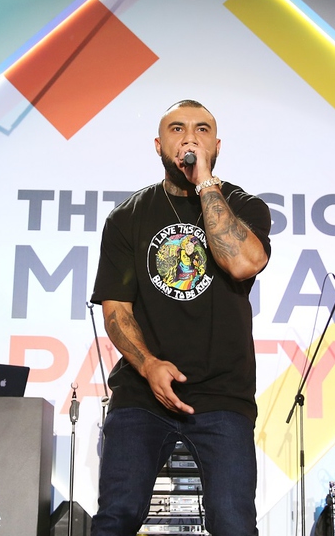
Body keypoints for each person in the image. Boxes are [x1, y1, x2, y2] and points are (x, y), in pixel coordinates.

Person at [90, 99, 272, 535]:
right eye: (177, 129)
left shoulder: (245, 207)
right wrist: (148, 365)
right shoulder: (127, 218)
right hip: (142, 392)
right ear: (158, 144)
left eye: (201, 130)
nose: (190, 139)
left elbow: (242, 263)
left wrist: (204, 182)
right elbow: (117, 310)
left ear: (217, 146)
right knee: (117, 515)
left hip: (222, 392)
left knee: (233, 522)